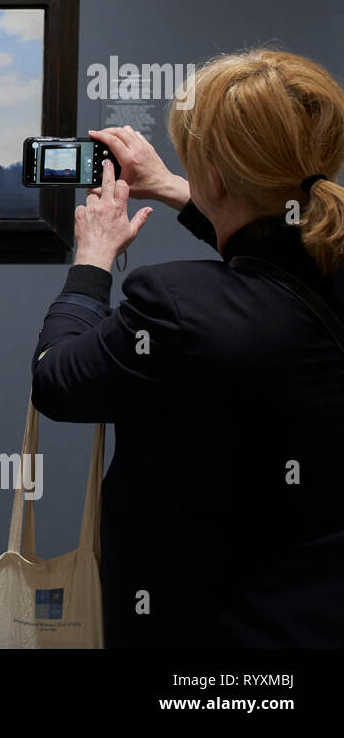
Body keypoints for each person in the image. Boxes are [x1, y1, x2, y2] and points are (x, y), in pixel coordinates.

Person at [31, 49, 344, 647]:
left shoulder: (176, 308)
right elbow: (282, 250)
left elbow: (54, 379)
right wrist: (179, 189)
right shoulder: (330, 262)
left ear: (218, 178)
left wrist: (92, 262)